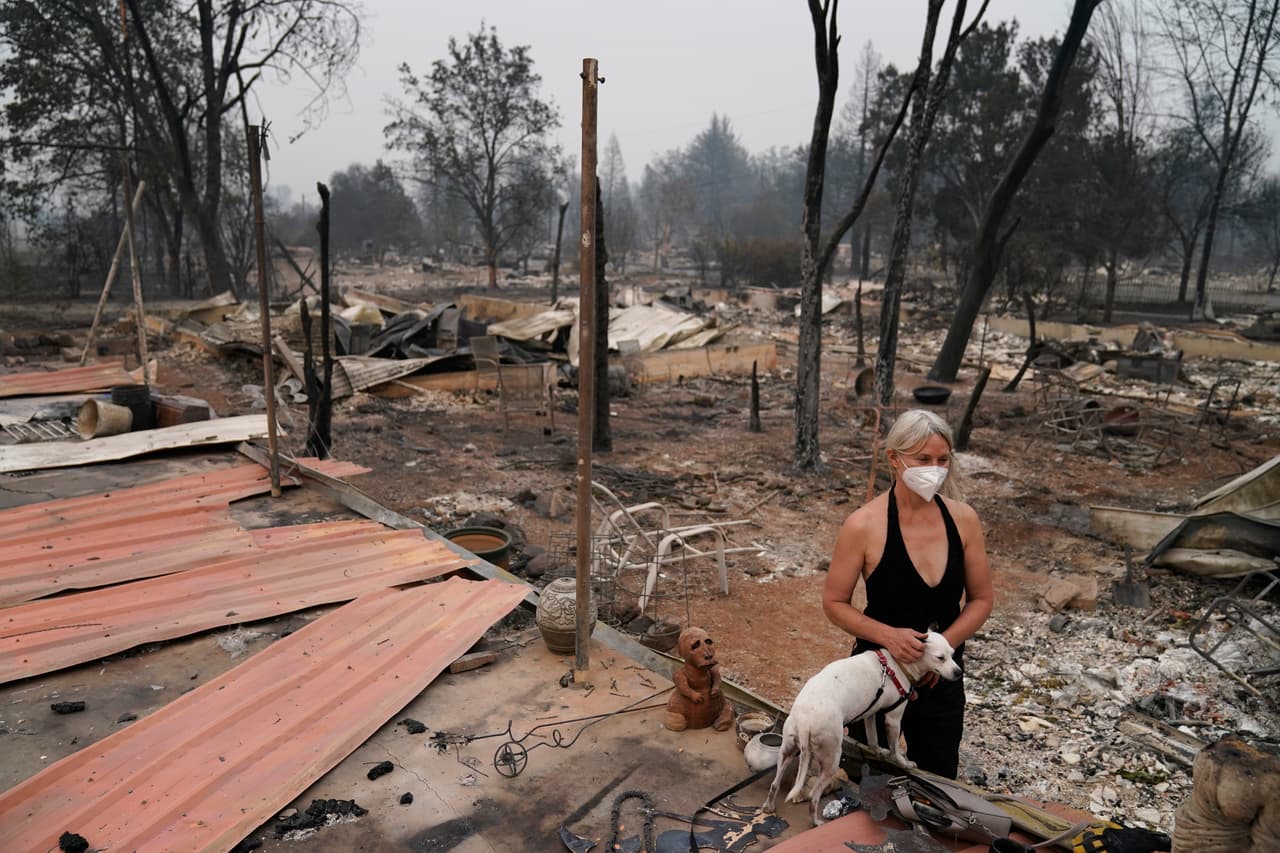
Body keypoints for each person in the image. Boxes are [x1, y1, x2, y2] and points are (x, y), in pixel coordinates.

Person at [822, 408, 994, 778]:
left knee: (938, 779)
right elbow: (834, 603)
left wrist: (940, 650)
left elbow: (981, 599)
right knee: (867, 777)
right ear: (894, 458)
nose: (934, 468)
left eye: (942, 460)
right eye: (923, 459)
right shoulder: (863, 526)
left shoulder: (963, 520)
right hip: (876, 675)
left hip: (939, 679)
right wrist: (889, 637)